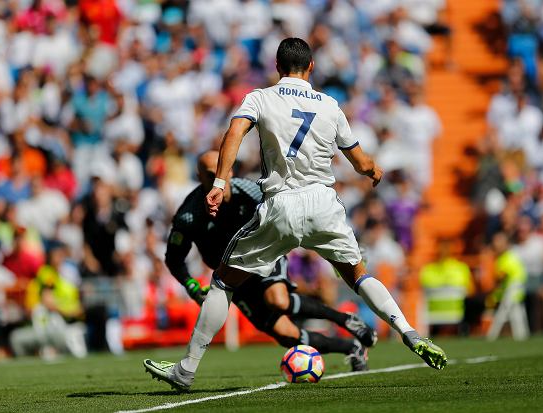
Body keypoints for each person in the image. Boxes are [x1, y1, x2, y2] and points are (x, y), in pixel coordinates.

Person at [144, 38, 447, 391]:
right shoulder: (331, 106)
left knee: (224, 282)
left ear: (276, 66)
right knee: (359, 276)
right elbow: (361, 161)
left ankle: (186, 371)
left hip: (281, 204)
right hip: (324, 204)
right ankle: (409, 332)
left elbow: (234, 133)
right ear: (312, 67)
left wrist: (220, 180)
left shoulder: (260, 97)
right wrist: (373, 172)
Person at [156, 151, 376, 372]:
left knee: (277, 300)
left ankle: (345, 320)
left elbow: (288, 217)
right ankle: (352, 347)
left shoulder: (252, 192)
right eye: (211, 174)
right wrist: (191, 285)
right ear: (200, 176)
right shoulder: (189, 215)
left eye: (221, 172)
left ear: (229, 171)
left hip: (264, 255)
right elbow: (173, 258)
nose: (217, 179)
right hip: (233, 278)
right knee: (286, 335)